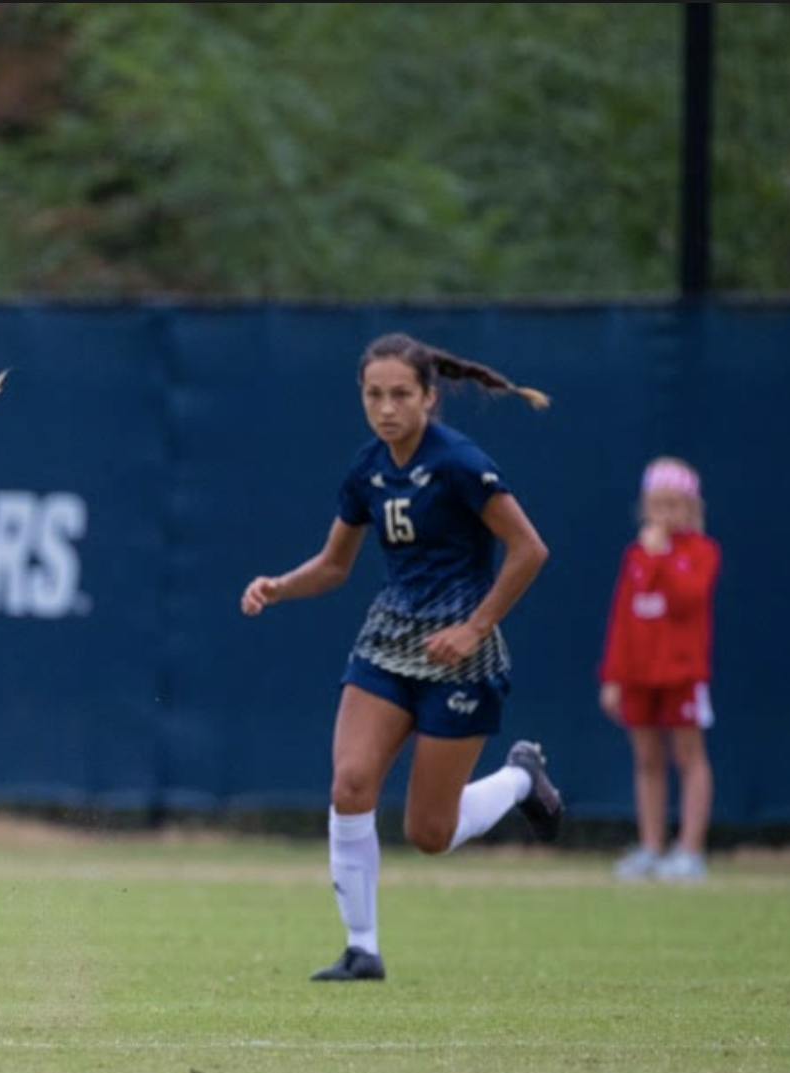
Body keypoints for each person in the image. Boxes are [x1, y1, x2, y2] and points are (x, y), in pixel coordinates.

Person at [241, 332, 566, 983]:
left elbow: (530, 549)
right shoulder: (368, 468)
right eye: (373, 395)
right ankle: (362, 948)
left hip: (459, 655)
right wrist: (280, 586)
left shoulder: (460, 463)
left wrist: (475, 629)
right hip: (388, 643)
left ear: (428, 397)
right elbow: (335, 566)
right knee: (351, 783)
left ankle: (522, 779)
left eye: (399, 395)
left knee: (429, 833)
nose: (386, 408)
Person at [599, 457, 720, 882]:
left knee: (689, 757)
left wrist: (662, 558)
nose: (666, 514)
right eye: (658, 504)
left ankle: (690, 850)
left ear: (691, 508)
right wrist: (613, 677)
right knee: (647, 759)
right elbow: (624, 619)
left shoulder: (701, 553)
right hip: (639, 676)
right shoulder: (636, 556)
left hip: (682, 675)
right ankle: (651, 846)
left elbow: (689, 598)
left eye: (675, 505)